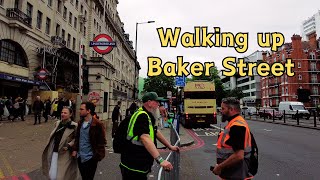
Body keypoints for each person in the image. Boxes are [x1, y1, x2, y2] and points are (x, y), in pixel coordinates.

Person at [120, 92, 180, 180]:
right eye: (156, 102)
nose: (158, 104)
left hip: (138, 163)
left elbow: (156, 132)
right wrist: (161, 160)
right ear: (149, 102)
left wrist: (170, 146)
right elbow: (144, 138)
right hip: (134, 165)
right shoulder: (142, 116)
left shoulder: (147, 115)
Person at [212, 97, 253, 179]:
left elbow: (239, 155)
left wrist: (219, 167)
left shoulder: (236, 126)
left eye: (223, 109)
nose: (221, 111)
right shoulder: (235, 122)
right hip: (234, 173)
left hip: (236, 174)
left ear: (231, 109)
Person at [42, 107, 80, 180]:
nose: (63, 114)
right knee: (52, 174)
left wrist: (69, 145)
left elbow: (77, 139)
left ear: (70, 114)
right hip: (54, 151)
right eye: (62, 112)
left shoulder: (75, 125)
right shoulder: (57, 123)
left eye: (65, 113)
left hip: (65, 153)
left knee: (61, 176)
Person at [72, 102, 106, 180]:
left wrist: (96, 157)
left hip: (90, 158)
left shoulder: (97, 124)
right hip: (80, 157)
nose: (79, 111)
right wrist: (75, 149)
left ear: (88, 111)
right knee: (84, 177)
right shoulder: (80, 123)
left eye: (81, 109)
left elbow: (102, 142)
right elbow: (77, 137)